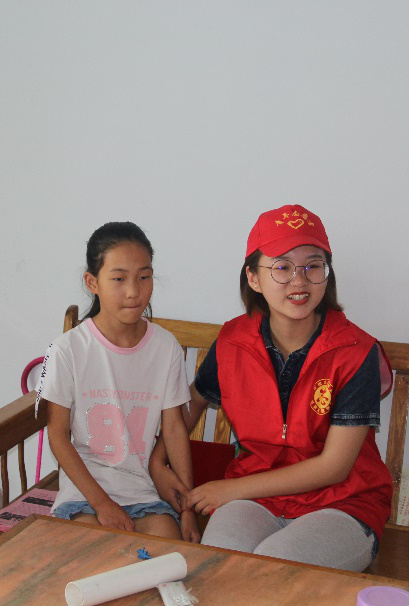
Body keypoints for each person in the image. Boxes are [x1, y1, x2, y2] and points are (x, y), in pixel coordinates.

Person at [151, 205, 393, 572]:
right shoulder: (233, 341)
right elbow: (192, 404)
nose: (299, 281)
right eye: (282, 267)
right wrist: (157, 461)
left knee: (275, 569)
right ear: (253, 278)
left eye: (313, 266)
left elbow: (335, 467)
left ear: (327, 275)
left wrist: (229, 489)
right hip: (257, 499)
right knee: (219, 563)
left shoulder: (356, 352)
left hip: (343, 503)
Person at [36, 222, 200, 542]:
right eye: (119, 278)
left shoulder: (165, 347)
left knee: (168, 554)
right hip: (84, 494)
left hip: (144, 494)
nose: (133, 291)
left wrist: (188, 509)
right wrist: (102, 504)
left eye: (144, 277)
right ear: (92, 282)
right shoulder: (67, 349)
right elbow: (58, 436)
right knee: (92, 555)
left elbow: (175, 429)